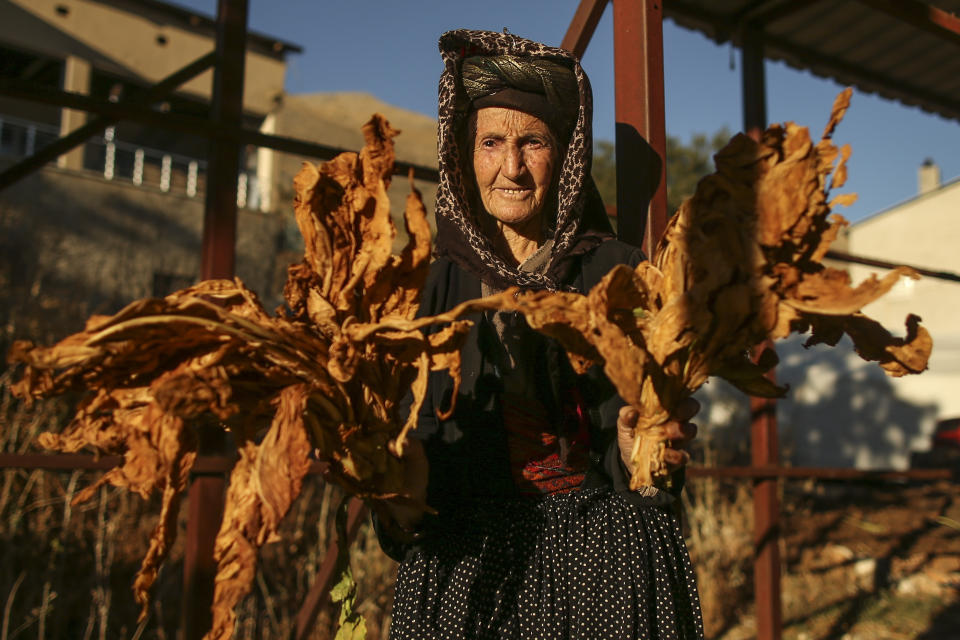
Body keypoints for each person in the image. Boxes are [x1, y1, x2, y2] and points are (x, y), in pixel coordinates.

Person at [374, 29, 704, 640]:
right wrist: (397, 497)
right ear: (463, 155)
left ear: (568, 155)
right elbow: (405, 466)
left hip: (602, 561)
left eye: (533, 143)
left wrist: (642, 454)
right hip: (466, 571)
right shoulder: (426, 285)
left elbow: (647, 442)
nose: (511, 168)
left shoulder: (618, 273)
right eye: (491, 142)